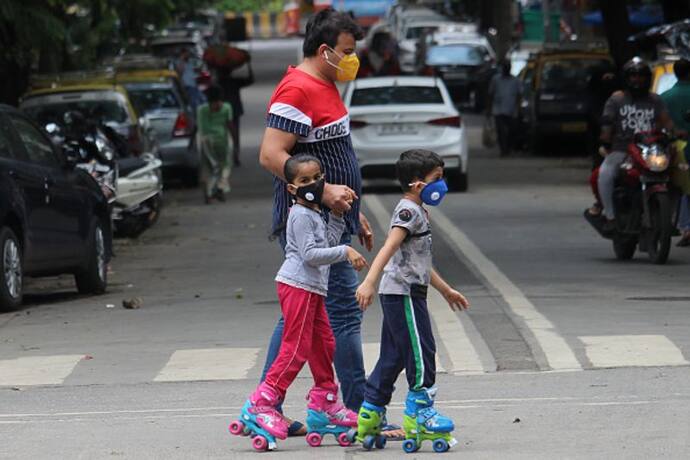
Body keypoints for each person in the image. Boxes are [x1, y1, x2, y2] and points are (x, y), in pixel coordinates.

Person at [257, 7, 394, 437]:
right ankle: (356, 410)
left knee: (300, 316)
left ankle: (275, 404)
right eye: (348, 52)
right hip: (309, 226)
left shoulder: (327, 84)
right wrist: (324, 193)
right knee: (342, 315)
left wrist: (357, 213)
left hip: (334, 221)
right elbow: (271, 155)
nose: (354, 59)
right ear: (324, 50)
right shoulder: (296, 89)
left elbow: (338, 159)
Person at [232, 154, 368, 450]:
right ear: (291, 188)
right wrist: (346, 251)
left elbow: (325, 245)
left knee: (324, 344)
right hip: (298, 286)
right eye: (304, 181)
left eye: (316, 178)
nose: (312, 184)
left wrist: (337, 215)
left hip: (313, 288)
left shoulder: (315, 211)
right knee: (296, 349)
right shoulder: (300, 215)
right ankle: (261, 403)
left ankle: (324, 404)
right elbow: (310, 255)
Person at [353, 149, 470, 449]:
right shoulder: (408, 212)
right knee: (422, 353)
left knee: (394, 357)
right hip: (402, 293)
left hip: (404, 291)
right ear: (418, 184)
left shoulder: (417, 210)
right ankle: (420, 413)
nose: (442, 185)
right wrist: (368, 281)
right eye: (437, 179)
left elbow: (419, 261)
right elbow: (389, 247)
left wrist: (445, 290)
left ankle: (369, 415)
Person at [588, 58, 673, 234]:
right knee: (604, 174)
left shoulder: (655, 100)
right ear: (626, 78)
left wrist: (675, 133)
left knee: (676, 170)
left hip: (650, 150)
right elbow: (607, 122)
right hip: (622, 150)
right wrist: (605, 138)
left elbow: (666, 121)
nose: (637, 80)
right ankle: (610, 217)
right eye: (633, 76)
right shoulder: (617, 99)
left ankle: (675, 220)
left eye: (641, 76)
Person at [660, 59, 690, 247]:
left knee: (675, 187)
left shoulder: (664, 97)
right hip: (683, 149)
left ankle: (683, 225)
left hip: (670, 149)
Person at [196, 85, 233, 203]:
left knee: (221, 167)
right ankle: (213, 191)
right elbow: (230, 126)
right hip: (209, 142)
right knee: (214, 167)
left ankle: (216, 190)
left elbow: (230, 125)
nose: (216, 106)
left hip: (218, 141)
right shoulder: (204, 110)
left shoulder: (224, 108)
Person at [217, 53, 255, 167]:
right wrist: (249, 65)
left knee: (221, 134)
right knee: (235, 135)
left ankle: (223, 157)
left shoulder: (218, 82)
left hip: (222, 111)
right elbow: (250, 79)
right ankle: (235, 156)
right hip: (234, 110)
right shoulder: (234, 81)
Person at [487, 60, 522, 156]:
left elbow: (519, 95)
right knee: (501, 131)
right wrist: (489, 109)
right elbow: (490, 94)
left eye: (508, 67)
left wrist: (518, 109)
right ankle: (503, 150)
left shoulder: (516, 81)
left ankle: (508, 148)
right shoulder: (496, 79)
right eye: (505, 67)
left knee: (512, 131)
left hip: (511, 110)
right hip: (498, 109)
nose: (506, 69)